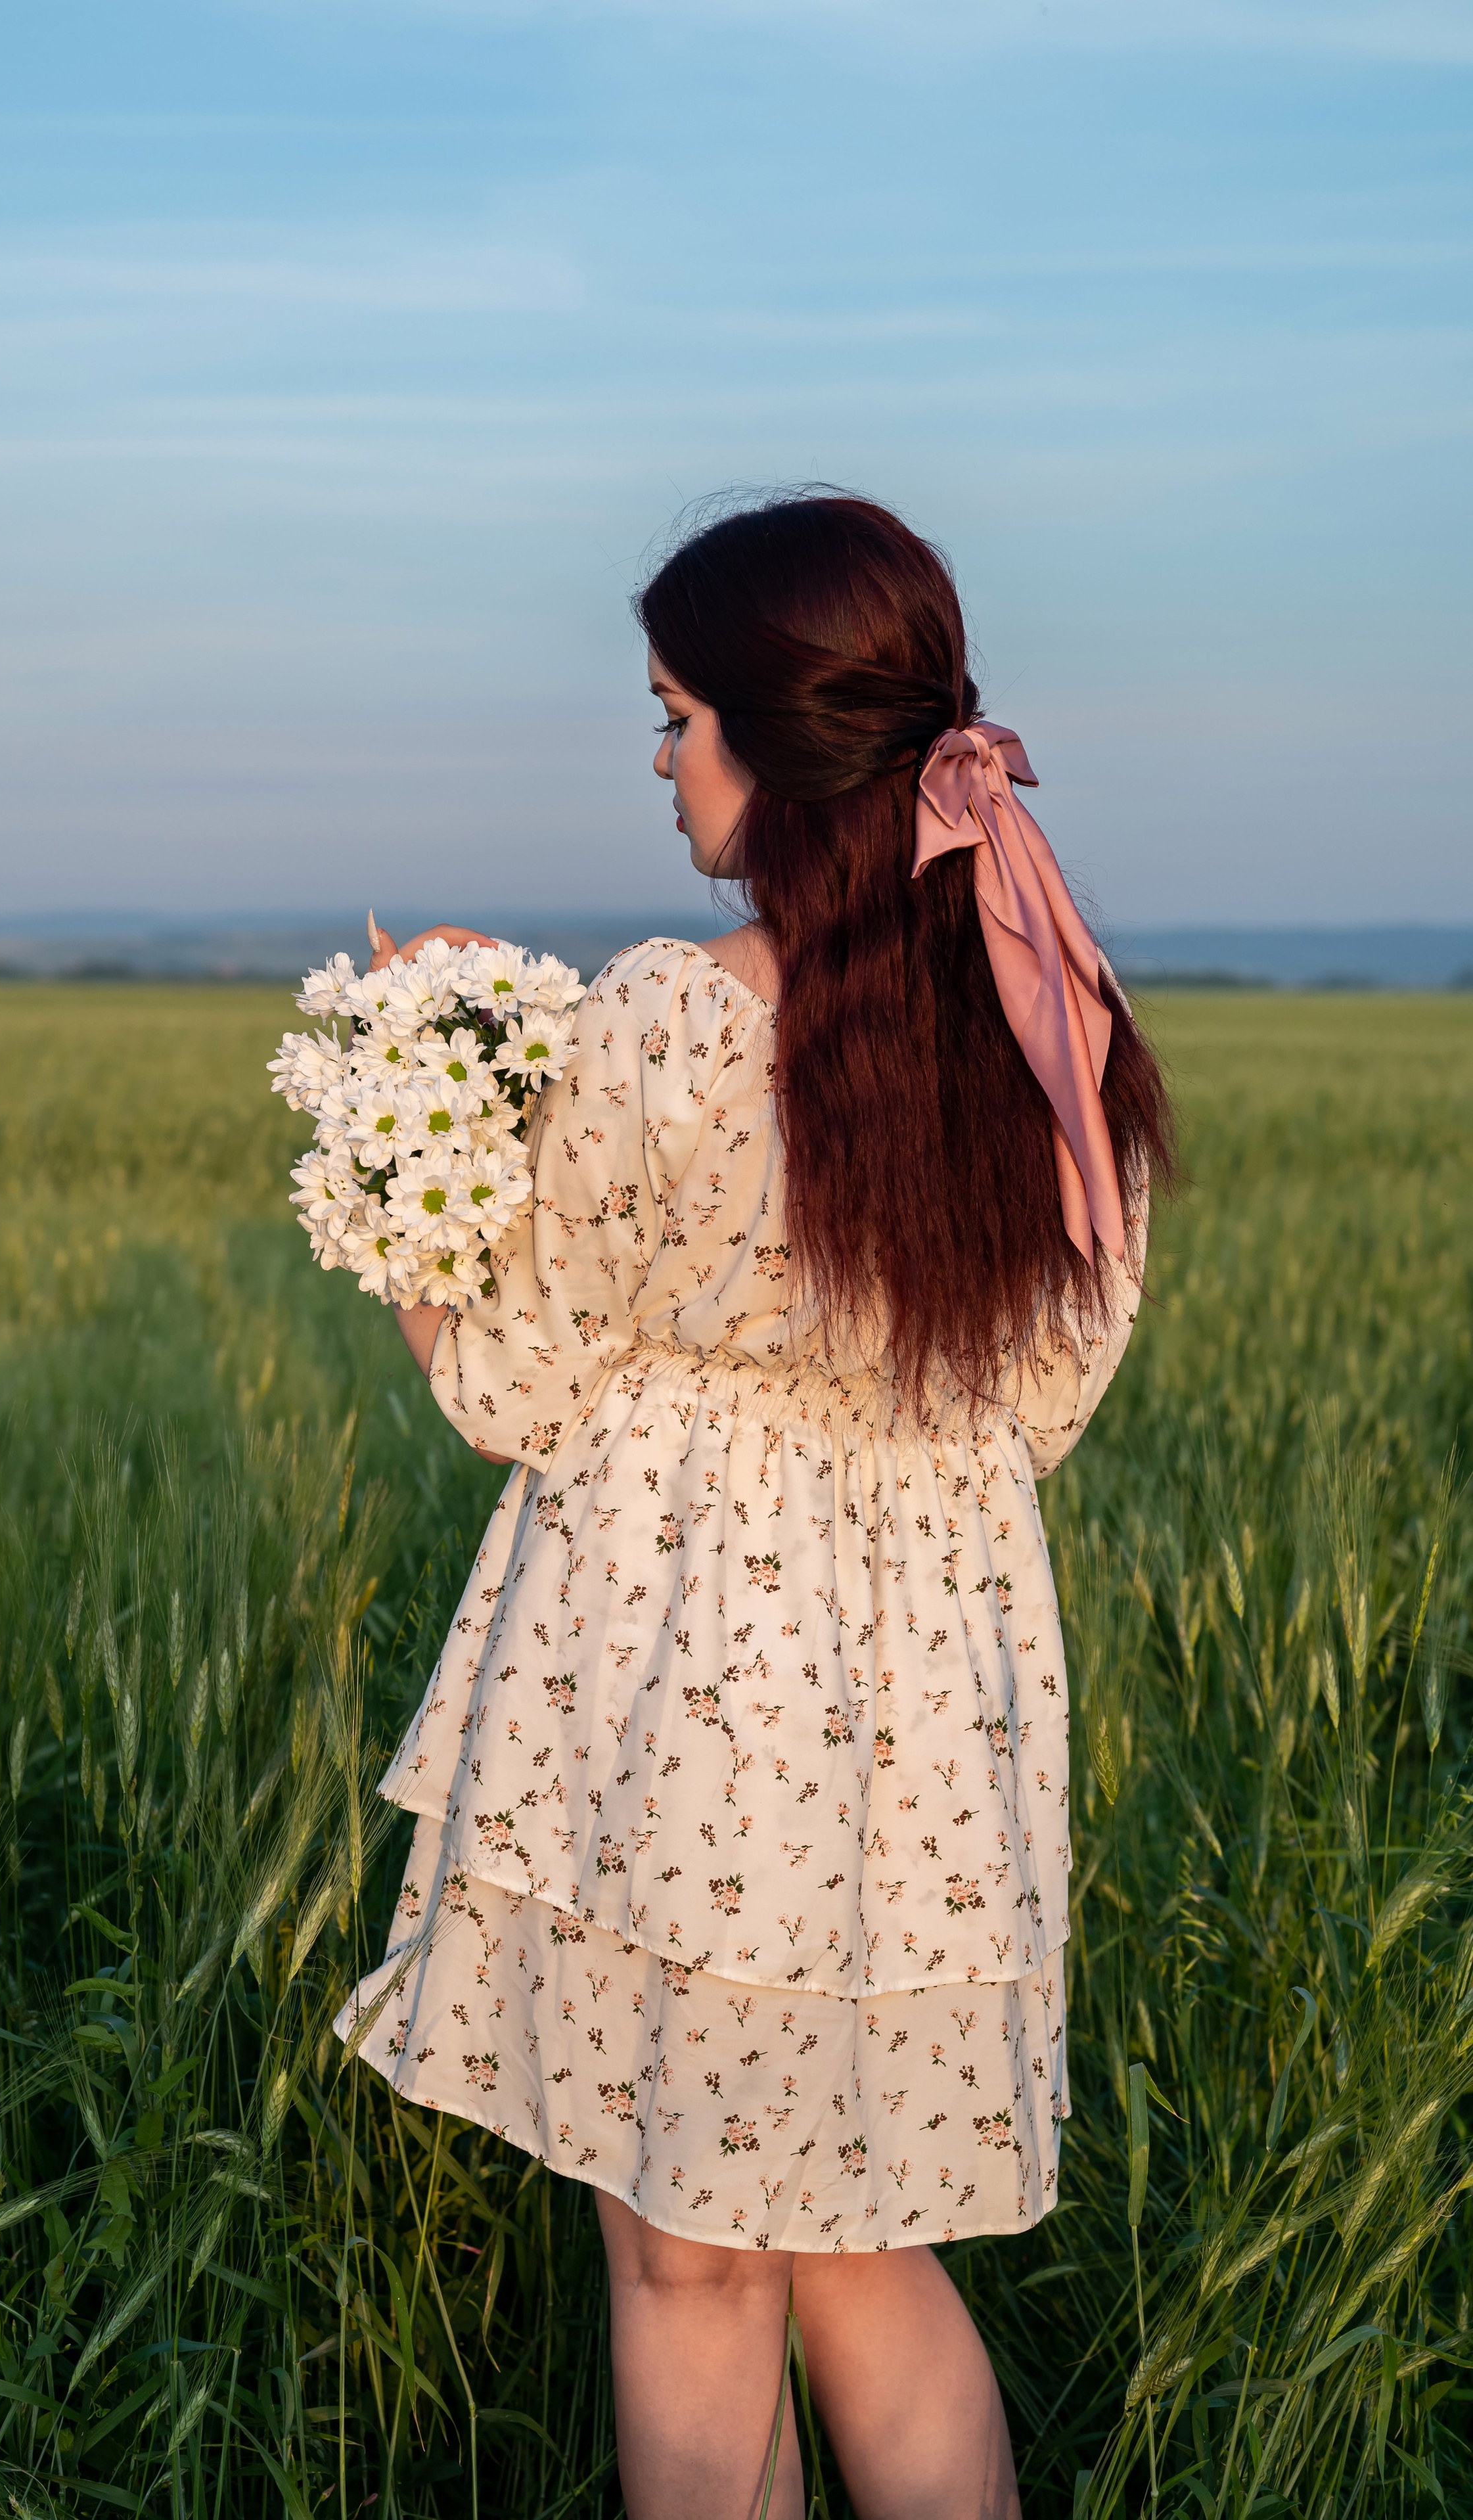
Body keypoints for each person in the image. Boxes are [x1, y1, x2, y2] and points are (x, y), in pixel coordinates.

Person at [338, 493, 1174, 2519]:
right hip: (930, 1737)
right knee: (862, 2248)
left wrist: (414, 1126)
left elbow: (518, 1386)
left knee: (690, 2260)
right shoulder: (1050, 1021)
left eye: (675, 711)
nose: (658, 757)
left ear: (774, 748)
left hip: (672, 1707)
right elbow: (1046, 1398)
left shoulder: (657, 1026)